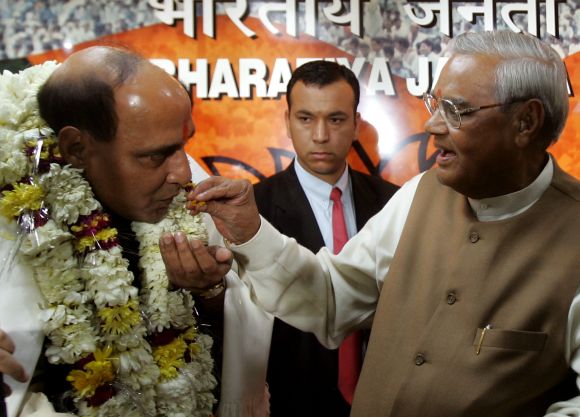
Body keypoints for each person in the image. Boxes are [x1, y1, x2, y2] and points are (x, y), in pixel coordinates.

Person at [182, 30, 580, 416]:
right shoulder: (418, 193)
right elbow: (330, 299)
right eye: (434, 104)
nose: (433, 125)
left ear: (526, 122)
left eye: (457, 110)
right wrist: (251, 231)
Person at [0, 46, 272, 417]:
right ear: (77, 148)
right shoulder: (14, 194)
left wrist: (207, 293)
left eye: (184, 147)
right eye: (157, 156)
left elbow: (235, 339)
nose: (184, 174)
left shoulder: (175, 178)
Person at [253, 60, 398, 417]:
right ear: (287, 122)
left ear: (355, 124)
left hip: (382, 400)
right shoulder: (253, 212)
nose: (320, 135)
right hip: (289, 403)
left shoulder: (395, 203)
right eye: (305, 119)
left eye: (335, 119)